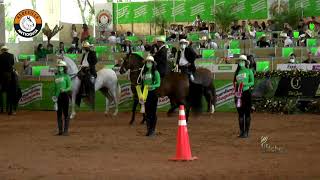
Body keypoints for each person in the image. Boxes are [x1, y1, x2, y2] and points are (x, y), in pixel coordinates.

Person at [234, 55, 254, 138]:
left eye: (242, 61)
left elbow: (252, 82)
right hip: (238, 95)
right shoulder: (237, 72)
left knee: (247, 114)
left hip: (246, 93)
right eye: (240, 61)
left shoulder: (249, 71)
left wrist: (245, 84)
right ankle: (242, 132)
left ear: (245, 62)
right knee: (240, 114)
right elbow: (234, 83)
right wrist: (235, 87)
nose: (241, 62)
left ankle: (246, 132)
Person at [140, 55, 161, 136]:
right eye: (147, 62)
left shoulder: (156, 72)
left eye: (150, 62)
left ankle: (152, 130)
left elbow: (158, 83)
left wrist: (152, 86)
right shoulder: (144, 73)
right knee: (147, 112)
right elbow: (143, 83)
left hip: (153, 93)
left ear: (152, 63)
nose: (148, 63)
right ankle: (149, 129)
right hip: (145, 94)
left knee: (153, 112)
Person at [52, 60, 72, 136]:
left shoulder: (67, 76)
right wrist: (54, 96)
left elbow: (70, 86)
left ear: (64, 68)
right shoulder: (56, 76)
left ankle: (66, 131)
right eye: (59, 67)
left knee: (66, 113)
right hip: (58, 97)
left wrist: (65, 90)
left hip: (65, 95)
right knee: (59, 114)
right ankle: (60, 131)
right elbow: (54, 87)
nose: (60, 68)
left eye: (61, 67)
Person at [0, 46, 15, 114]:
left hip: (1, 76)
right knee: (10, 92)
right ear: (7, 50)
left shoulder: (0, 56)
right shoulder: (11, 55)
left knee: (1, 92)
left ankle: (2, 109)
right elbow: (12, 64)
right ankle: (10, 110)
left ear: (2, 50)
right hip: (9, 75)